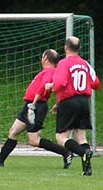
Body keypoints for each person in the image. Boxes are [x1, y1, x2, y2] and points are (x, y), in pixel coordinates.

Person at [0, 49, 72, 169]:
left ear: (45, 58)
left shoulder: (50, 72)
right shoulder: (46, 71)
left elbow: (43, 88)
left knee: (33, 140)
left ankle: (66, 153)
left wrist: (33, 105)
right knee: (13, 132)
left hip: (36, 106)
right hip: (29, 105)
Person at [50, 36, 100, 176]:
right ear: (79, 48)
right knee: (81, 136)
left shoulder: (64, 63)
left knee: (61, 137)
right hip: (84, 102)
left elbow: (59, 84)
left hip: (69, 101)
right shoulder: (85, 64)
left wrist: (53, 88)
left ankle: (82, 152)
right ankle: (87, 169)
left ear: (66, 48)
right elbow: (95, 83)